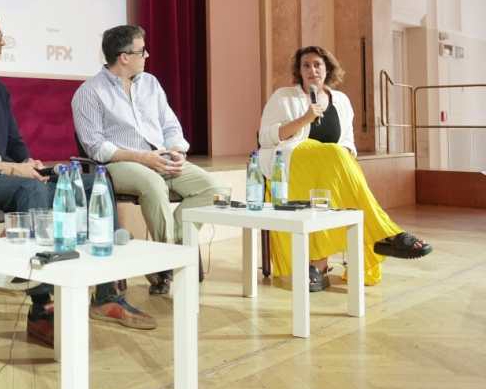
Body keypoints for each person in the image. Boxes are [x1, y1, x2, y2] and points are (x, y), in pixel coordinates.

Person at [0, 9, 156, 345]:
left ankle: (105, 296)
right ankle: (42, 306)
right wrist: (10, 168)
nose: (4, 41)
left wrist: (27, 162)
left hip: (12, 175)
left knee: (94, 184)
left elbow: (14, 142)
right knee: (31, 189)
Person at [258, 45, 432, 291]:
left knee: (335, 165)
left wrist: (342, 159)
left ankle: (318, 267)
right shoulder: (283, 97)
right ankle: (384, 234)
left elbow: (348, 143)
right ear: (299, 71)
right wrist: (304, 119)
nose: (312, 70)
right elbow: (265, 138)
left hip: (329, 169)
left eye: (317, 65)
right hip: (291, 164)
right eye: (306, 65)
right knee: (332, 156)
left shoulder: (341, 100)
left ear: (327, 68)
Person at [72, 25, 219, 294]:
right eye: (142, 51)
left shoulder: (150, 83)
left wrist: (176, 150)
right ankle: (169, 265)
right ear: (124, 57)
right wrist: (142, 158)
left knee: (212, 189)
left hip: (161, 157)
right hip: (118, 164)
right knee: (153, 184)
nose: (147, 55)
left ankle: (168, 252)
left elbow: (170, 125)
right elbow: (96, 147)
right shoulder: (89, 92)